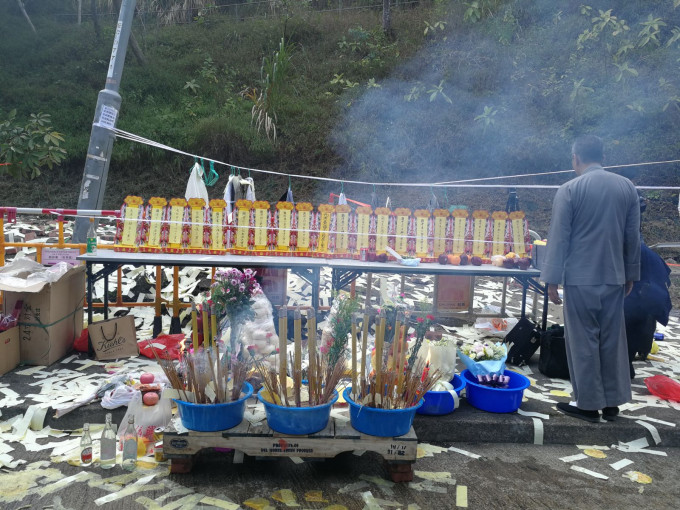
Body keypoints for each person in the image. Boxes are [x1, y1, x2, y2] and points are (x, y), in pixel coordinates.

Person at [541, 135, 640, 423]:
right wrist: (631, 272)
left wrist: (551, 279)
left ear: (576, 158)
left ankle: (587, 404)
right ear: (602, 156)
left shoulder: (570, 189)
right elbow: (632, 236)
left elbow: (559, 238)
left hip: (580, 278)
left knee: (583, 340)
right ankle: (612, 403)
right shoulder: (627, 187)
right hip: (614, 276)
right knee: (612, 339)